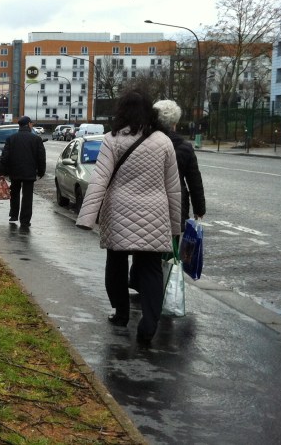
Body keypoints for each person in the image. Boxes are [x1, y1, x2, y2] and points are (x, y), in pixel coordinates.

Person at [75, 89, 181, 345]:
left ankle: (121, 313)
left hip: (119, 210)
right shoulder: (163, 141)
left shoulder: (112, 140)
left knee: (116, 264)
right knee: (151, 269)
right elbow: (173, 186)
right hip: (155, 212)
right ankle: (149, 323)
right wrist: (176, 226)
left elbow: (99, 180)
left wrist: (86, 218)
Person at [153, 100, 206, 230]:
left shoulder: (146, 143)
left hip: (150, 203)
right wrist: (199, 208)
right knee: (174, 243)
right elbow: (194, 181)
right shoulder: (185, 147)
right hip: (177, 203)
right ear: (175, 123)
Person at [0, 116, 46, 227]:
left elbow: (5, 156)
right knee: (27, 196)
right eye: (31, 124)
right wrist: (41, 171)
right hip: (29, 172)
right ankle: (25, 220)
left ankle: (14, 215)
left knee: (14, 193)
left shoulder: (11, 138)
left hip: (15, 172)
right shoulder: (36, 139)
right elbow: (41, 157)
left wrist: (2, 172)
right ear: (28, 124)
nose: (32, 126)